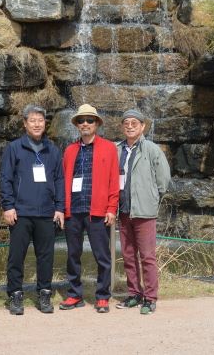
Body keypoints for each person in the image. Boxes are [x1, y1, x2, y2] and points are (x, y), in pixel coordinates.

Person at [0, 104, 65, 315]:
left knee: (46, 257)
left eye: (40, 120)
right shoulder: (14, 148)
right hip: (20, 212)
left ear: (45, 123)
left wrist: (60, 208)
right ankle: (15, 295)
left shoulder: (53, 150)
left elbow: (60, 180)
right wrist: (8, 206)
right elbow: (6, 178)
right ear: (25, 124)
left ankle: (44, 294)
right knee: (16, 256)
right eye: (33, 120)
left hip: (46, 212)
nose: (37, 124)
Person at [60, 104, 120, 314]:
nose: (85, 123)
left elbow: (114, 181)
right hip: (73, 211)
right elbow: (63, 181)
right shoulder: (70, 150)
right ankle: (75, 294)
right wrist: (62, 209)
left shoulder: (109, 148)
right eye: (81, 120)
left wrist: (111, 208)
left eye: (89, 120)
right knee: (72, 255)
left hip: (98, 211)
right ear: (77, 125)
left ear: (96, 124)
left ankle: (102, 296)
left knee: (102, 256)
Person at [115, 109, 171, 315]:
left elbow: (163, 180)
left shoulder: (152, 149)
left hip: (144, 212)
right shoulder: (117, 150)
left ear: (143, 126)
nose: (130, 126)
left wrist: (152, 198)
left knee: (147, 257)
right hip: (123, 211)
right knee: (128, 255)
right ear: (122, 127)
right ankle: (134, 294)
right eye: (126, 123)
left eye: (134, 123)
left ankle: (150, 297)